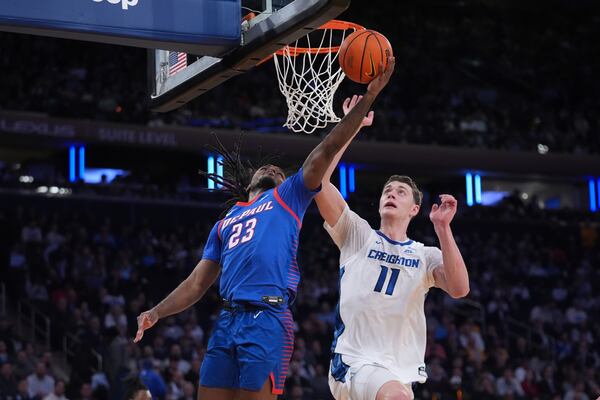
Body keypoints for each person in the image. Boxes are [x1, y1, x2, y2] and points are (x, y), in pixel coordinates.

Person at [133, 57, 396, 400]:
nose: (272, 167)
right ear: (249, 183)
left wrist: (367, 101)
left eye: (280, 169)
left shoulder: (289, 196)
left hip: (267, 317)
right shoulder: (225, 223)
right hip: (227, 320)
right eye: (266, 167)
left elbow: (325, 150)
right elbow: (197, 283)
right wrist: (156, 312)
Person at [315, 95, 470, 400]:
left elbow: (459, 288)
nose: (391, 194)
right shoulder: (358, 234)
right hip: (354, 362)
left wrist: (443, 228)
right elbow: (318, 180)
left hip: (398, 373)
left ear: (414, 210)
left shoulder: (425, 255)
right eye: (388, 190)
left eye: (400, 192)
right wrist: (351, 126)